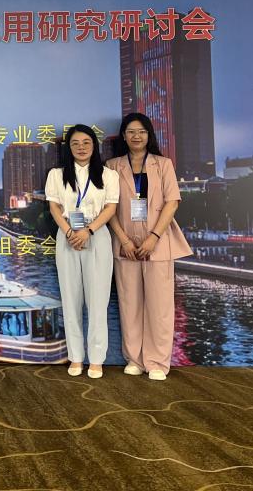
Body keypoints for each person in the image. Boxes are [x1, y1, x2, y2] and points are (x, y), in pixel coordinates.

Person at [106, 112, 193, 381]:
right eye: (131, 131)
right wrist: (124, 240)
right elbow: (108, 207)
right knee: (129, 304)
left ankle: (156, 362)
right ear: (123, 136)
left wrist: (154, 236)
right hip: (126, 244)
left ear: (149, 135)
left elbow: (172, 202)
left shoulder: (163, 164)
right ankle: (134, 358)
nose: (136, 136)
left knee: (160, 306)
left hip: (158, 242)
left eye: (141, 131)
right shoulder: (112, 166)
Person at [45, 124, 120, 378]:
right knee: (70, 299)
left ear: (94, 146)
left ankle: (96, 359)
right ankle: (76, 357)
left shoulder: (108, 175)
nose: (81, 147)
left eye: (86, 142)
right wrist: (69, 232)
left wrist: (88, 231)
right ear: (69, 147)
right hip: (67, 235)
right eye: (75, 143)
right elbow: (55, 208)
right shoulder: (56, 175)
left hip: (96, 235)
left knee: (98, 301)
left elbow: (110, 208)